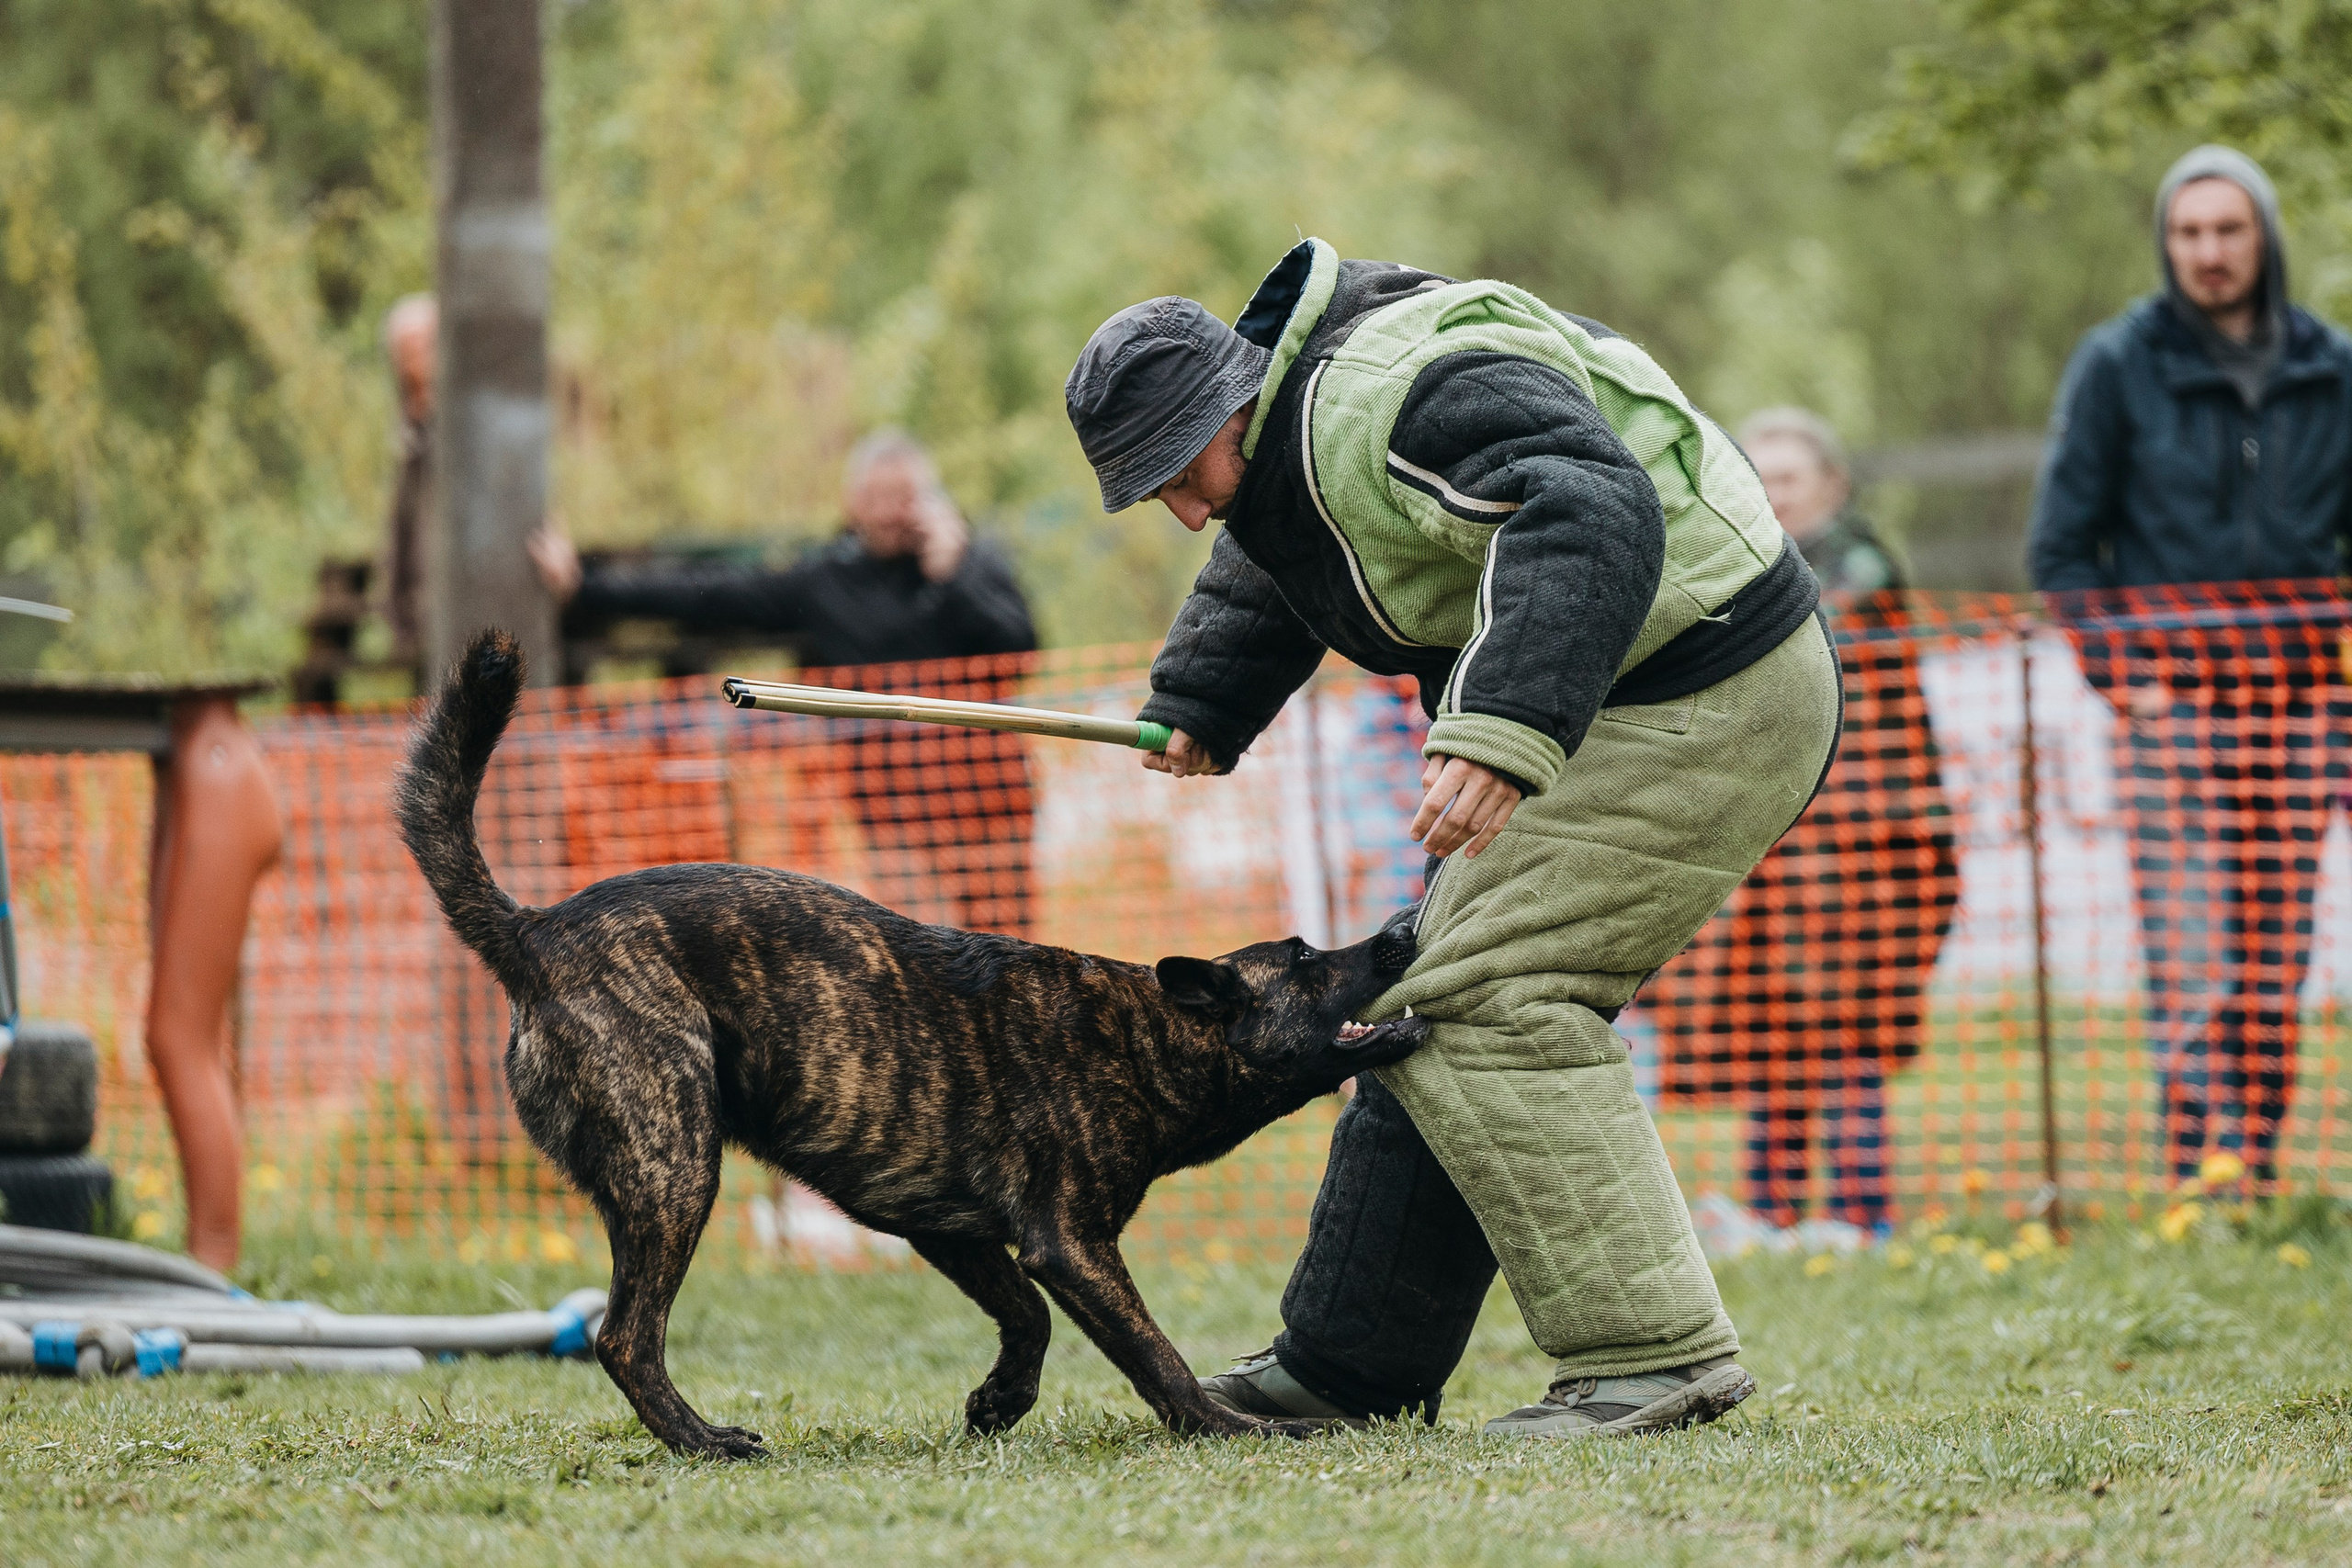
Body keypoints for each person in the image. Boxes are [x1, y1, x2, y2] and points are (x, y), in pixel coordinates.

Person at [1064, 238, 1842, 1437]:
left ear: (1233, 397)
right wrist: (1205, 701)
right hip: (1626, 686)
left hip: (1713, 678)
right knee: (1406, 994)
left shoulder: (1402, 400)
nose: (1178, 505)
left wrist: (1502, 727)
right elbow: (1287, 552)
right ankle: (1347, 1366)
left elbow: (1593, 505)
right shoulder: (1286, 439)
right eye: (1145, 487)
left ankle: (1656, 1355)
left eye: (1176, 467)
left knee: (1489, 991)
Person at [2030, 145, 2352, 1188]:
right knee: (2192, 950)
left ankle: (2252, 1168)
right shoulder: (2118, 364)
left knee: (2276, 951)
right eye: (2188, 233)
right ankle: (2197, 1171)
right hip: (2172, 710)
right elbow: (2062, 551)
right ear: (2167, 243)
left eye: (2228, 230)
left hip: (2299, 713)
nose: (2208, 252)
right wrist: (2129, 684)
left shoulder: (2331, 367)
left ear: (2264, 237)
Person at [1637, 409, 1957, 1239]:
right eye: (1760, 475)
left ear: (1832, 486)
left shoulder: (1859, 566)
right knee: (1770, 1026)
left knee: (1848, 1025)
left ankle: (1860, 1215)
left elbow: (1794, 647)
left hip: (1859, 844)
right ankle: (1778, 1214)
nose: (1772, 493)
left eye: (1789, 477)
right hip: (1775, 836)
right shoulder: (1748, 562)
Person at [528, 430, 1042, 936]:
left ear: (931, 500)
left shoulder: (973, 561)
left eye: (903, 497)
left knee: (1015, 961)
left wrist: (960, 573)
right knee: (923, 969)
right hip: (893, 817)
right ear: (853, 503)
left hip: (992, 806)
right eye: (877, 498)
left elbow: (1022, 649)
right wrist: (585, 586)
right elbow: (710, 595)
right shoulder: (827, 581)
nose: (890, 512)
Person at [382, 294, 438, 683]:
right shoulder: (410, 425)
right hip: (423, 612)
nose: (412, 359)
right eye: (405, 351)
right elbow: (401, 525)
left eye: (420, 346)